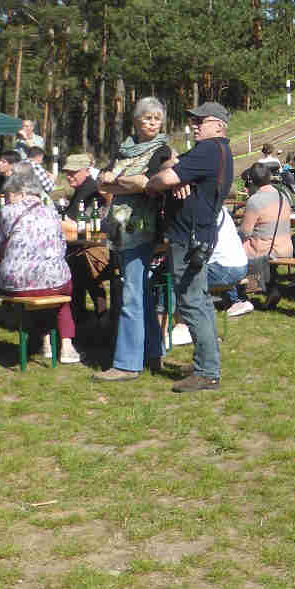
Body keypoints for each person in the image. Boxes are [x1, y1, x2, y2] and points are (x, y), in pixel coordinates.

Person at [146, 102, 234, 393]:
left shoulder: (210, 150)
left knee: (192, 303)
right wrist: (174, 171)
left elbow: (165, 179)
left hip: (189, 239)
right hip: (198, 236)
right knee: (201, 301)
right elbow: (173, 166)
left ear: (219, 125)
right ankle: (207, 364)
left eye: (201, 121)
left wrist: (155, 182)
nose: (194, 125)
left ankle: (207, 371)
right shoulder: (214, 151)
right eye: (193, 120)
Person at [92, 99, 172, 380]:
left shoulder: (162, 150)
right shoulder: (123, 149)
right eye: (147, 118)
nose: (152, 123)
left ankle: (126, 364)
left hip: (142, 226)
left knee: (131, 295)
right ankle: (152, 353)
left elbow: (146, 183)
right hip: (120, 227)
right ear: (136, 121)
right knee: (140, 294)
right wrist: (121, 180)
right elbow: (101, 181)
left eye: (157, 119)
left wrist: (118, 180)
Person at [0, 163, 78, 365]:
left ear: (22, 193)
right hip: (52, 281)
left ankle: (45, 342)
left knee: (41, 290)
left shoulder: (6, 212)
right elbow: (62, 246)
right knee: (62, 296)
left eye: (11, 194)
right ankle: (66, 346)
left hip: (14, 283)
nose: (8, 198)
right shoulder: (52, 212)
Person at [59, 152, 111, 323]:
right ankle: (83, 315)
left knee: (76, 265)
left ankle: (82, 316)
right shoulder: (81, 189)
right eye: (67, 172)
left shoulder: (89, 189)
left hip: (97, 246)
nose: (68, 176)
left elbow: (75, 223)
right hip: (86, 244)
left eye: (73, 172)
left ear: (87, 171)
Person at [239, 163, 294, 309]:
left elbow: (245, 232)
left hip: (267, 249)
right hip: (286, 247)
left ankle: (241, 293)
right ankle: (268, 288)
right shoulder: (283, 195)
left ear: (251, 181)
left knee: (237, 248)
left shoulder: (255, 200)